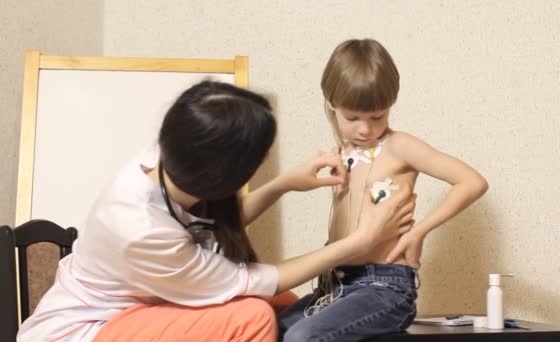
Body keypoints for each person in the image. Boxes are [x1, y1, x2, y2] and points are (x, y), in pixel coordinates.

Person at [17, 80, 416, 342]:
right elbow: (253, 281)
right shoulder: (139, 227)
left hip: (137, 304)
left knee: (291, 304)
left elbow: (212, 223)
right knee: (255, 318)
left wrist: (284, 183)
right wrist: (360, 241)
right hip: (85, 330)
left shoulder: (169, 157)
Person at [278, 39, 489, 341]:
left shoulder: (399, 146)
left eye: (377, 116)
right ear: (331, 103)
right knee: (269, 329)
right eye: (352, 118)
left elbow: (472, 182)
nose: (365, 129)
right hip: (336, 286)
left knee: (302, 338)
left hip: (385, 287)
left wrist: (418, 232)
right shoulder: (342, 153)